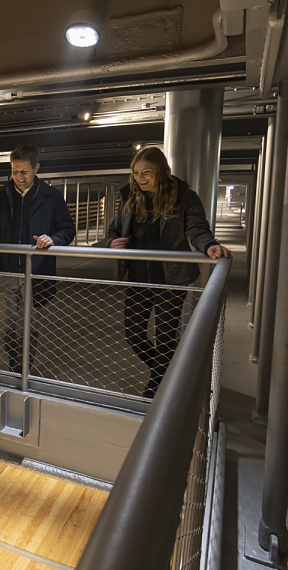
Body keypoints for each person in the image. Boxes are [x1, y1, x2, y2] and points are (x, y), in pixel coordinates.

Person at [107, 146, 231, 398]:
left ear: (161, 171)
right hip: (138, 278)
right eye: (136, 173)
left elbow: (197, 228)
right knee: (133, 334)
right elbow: (114, 229)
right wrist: (111, 242)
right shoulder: (129, 196)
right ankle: (172, 373)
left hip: (171, 278)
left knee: (164, 338)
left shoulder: (184, 196)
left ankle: (155, 390)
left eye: (147, 173)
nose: (140, 179)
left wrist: (210, 245)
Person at [0, 143, 75, 373]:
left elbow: (67, 229)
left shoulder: (52, 196)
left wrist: (53, 239)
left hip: (35, 271)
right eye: (14, 171)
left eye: (24, 172)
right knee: (4, 327)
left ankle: (22, 369)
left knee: (30, 328)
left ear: (36, 167)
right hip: (5, 270)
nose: (18, 177)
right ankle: (15, 362)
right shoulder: (0, 194)